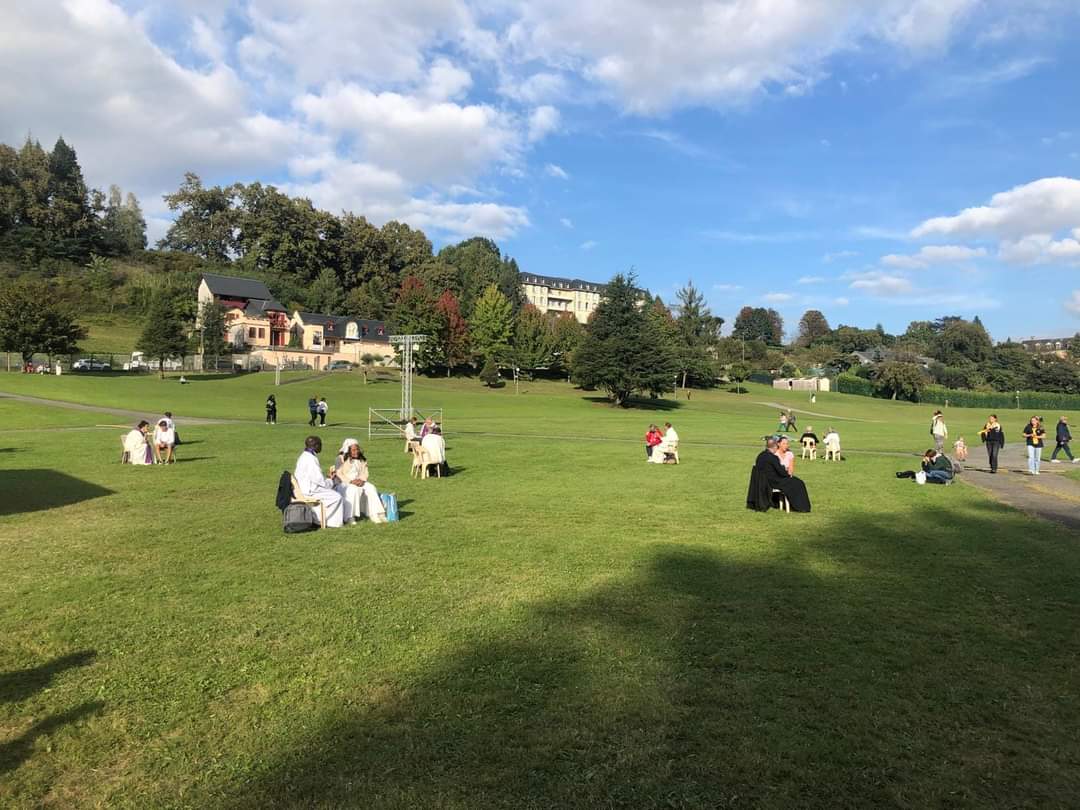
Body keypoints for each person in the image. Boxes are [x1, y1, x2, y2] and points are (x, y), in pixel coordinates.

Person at [746, 437, 811, 512]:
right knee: (798, 483)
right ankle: (802, 507)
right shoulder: (773, 457)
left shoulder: (760, 455)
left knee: (794, 481)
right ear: (775, 446)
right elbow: (782, 472)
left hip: (763, 481)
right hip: (773, 482)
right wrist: (787, 473)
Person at [293, 436, 345, 527]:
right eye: (320, 445)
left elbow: (315, 477)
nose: (321, 447)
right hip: (310, 490)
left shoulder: (304, 455)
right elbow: (319, 480)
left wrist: (327, 479)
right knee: (337, 497)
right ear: (316, 445)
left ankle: (318, 518)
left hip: (305, 487)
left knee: (332, 493)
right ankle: (324, 521)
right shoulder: (310, 459)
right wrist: (331, 480)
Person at [333, 440, 387, 524]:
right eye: (353, 450)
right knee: (353, 490)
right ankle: (349, 517)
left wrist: (362, 480)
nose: (356, 451)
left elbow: (365, 472)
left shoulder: (361, 459)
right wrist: (351, 481)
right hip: (344, 483)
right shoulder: (340, 458)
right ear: (348, 450)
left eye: (357, 449)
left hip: (359, 481)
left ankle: (375, 514)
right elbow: (339, 474)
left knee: (371, 488)